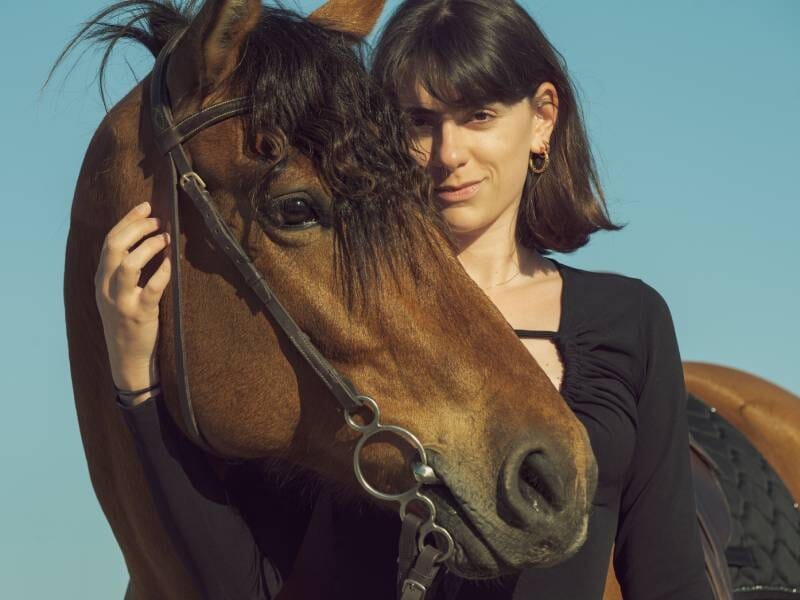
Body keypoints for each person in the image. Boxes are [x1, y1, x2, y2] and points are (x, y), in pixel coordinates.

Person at [96, 1, 714, 598]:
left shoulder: (630, 321)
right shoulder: (329, 318)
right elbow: (245, 587)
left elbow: (671, 580)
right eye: (418, 122)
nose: (449, 154)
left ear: (542, 118)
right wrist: (136, 387)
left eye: (480, 115)